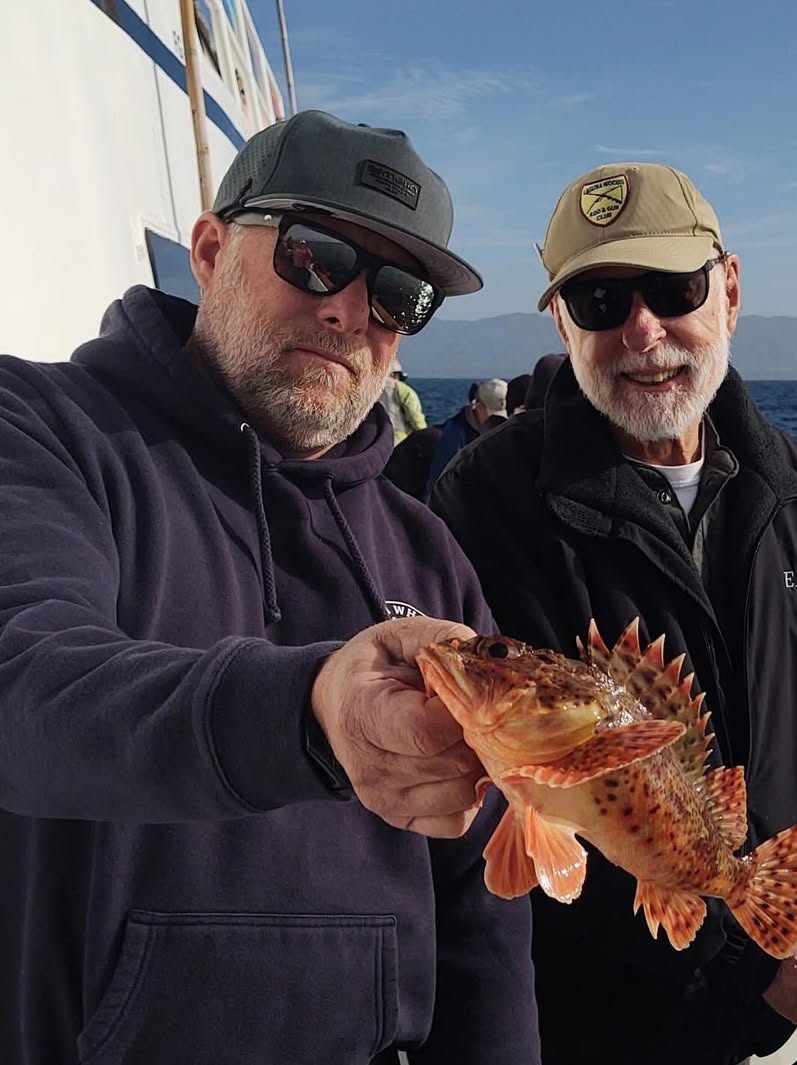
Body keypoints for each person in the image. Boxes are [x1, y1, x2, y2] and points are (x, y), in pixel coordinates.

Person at [0, 111, 540, 1065]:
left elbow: (482, 911)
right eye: (316, 255)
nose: (349, 312)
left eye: (399, 294)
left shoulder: (428, 555)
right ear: (210, 250)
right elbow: (25, 679)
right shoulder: (44, 432)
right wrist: (308, 713)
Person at [431, 162, 797, 1065]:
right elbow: (479, 791)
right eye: (599, 299)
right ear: (561, 320)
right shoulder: (482, 505)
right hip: (600, 1028)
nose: (642, 329)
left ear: (730, 290)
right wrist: (747, 953)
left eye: (674, 288)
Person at [425, 376, 507, 493]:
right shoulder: (454, 436)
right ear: (478, 406)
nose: (499, 423)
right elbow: (438, 485)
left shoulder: (504, 429)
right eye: (494, 416)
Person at [379, 355, 427, 443]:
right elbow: (416, 420)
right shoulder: (402, 389)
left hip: (374, 444)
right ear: (394, 374)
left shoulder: (370, 390)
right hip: (398, 443)